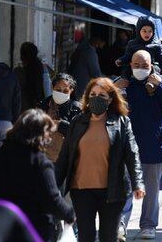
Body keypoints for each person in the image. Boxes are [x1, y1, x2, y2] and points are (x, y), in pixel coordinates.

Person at [56, 77, 145, 242]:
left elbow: (132, 154)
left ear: (110, 99)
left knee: (108, 237)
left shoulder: (122, 123)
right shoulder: (77, 122)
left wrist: (138, 183)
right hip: (81, 190)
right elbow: (64, 157)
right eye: (93, 94)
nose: (96, 98)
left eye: (102, 96)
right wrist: (53, 188)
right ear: (88, 97)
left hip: (112, 191)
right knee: (86, 236)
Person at [115, 50, 162, 240]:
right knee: (124, 187)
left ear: (151, 65)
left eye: (144, 65)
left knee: (151, 190)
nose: (140, 68)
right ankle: (120, 224)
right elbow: (100, 102)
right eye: (136, 64)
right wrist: (114, 88)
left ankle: (148, 225)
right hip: (127, 145)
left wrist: (159, 88)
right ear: (130, 65)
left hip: (154, 145)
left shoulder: (159, 81)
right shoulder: (124, 82)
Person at [0, 109, 75, 242]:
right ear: (39, 135)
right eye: (47, 134)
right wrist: (69, 214)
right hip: (32, 230)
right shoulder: (39, 162)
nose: (49, 139)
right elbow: (52, 199)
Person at [38, 73, 81, 162]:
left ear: (71, 90)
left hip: (63, 160)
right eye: (58, 89)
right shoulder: (43, 105)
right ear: (52, 88)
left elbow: (79, 133)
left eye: (65, 91)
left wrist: (60, 125)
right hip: (42, 157)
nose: (61, 93)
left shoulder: (76, 109)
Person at [15, 42, 52, 111]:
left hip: (28, 108)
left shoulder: (20, 72)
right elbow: (47, 89)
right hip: (39, 107)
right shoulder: (42, 68)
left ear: (22, 56)